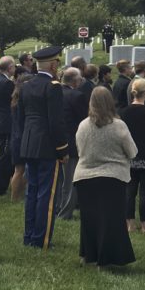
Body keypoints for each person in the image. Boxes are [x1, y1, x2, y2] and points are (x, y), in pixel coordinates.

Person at [74, 87, 137, 266]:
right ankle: (109, 257)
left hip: (85, 176)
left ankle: (89, 255)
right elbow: (132, 151)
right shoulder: (118, 125)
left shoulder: (83, 125)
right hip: (112, 177)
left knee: (90, 219)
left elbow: (80, 150)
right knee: (111, 220)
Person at [19, 46, 69, 249]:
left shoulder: (26, 85)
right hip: (47, 145)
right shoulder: (53, 86)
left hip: (29, 142)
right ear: (53, 64)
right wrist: (62, 149)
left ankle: (29, 235)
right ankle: (41, 239)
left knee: (32, 191)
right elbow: (55, 122)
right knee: (46, 195)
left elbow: (22, 118)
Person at [120, 78, 145, 234]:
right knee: (144, 192)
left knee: (130, 191)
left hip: (129, 157)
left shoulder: (124, 112)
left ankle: (129, 224)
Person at [57, 67, 88, 220]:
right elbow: (83, 120)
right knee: (70, 180)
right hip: (72, 141)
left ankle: (57, 207)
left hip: (56, 140)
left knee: (59, 179)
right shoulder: (77, 96)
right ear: (75, 82)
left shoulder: (54, 93)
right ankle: (65, 213)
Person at [0, 56, 16, 196]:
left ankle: (4, 186)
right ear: (10, 67)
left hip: (0, 122)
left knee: (5, 156)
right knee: (4, 158)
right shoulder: (6, 83)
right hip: (6, 123)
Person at [9, 74, 32, 201]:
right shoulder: (21, 102)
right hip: (20, 137)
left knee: (20, 169)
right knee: (20, 170)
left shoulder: (15, 98)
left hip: (16, 136)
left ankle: (16, 195)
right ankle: (15, 197)